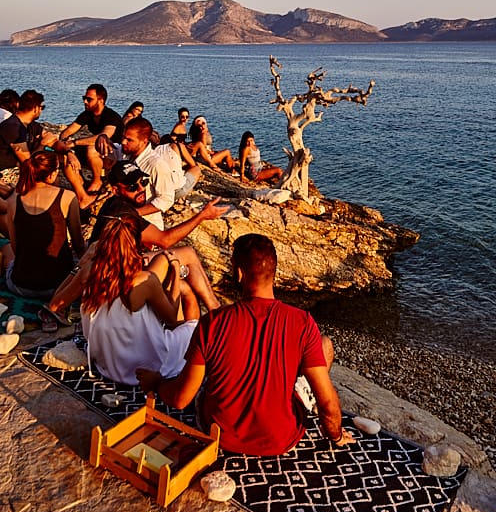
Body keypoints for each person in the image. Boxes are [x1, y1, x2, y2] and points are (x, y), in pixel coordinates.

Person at [137, 234, 355, 456]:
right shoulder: (302, 322)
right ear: (274, 272)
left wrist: (157, 382)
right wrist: (335, 436)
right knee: (324, 345)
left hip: (219, 434)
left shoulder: (213, 322)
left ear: (239, 273)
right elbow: (328, 403)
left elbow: (180, 399)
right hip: (280, 440)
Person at [48, 160, 228, 317]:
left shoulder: (115, 205)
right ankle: (213, 311)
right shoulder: (123, 213)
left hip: (114, 269)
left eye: (143, 182)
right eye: (133, 187)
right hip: (116, 276)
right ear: (115, 189)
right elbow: (165, 239)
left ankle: (214, 311)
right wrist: (201, 216)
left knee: (184, 280)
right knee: (187, 255)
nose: (141, 189)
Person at [81, 216, 199, 386]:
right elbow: (172, 318)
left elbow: (58, 302)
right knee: (192, 318)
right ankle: (191, 375)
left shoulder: (90, 273)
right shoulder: (142, 280)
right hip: (146, 367)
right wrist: (174, 271)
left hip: (108, 365)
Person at [4, 150, 85, 305]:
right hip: (60, 286)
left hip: (21, 285)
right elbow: (79, 244)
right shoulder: (67, 197)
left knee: (7, 249)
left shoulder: (14, 201)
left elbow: (16, 247)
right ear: (52, 174)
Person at [60, 84, 124, 194]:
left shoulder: (111, 117)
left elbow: (103, 137)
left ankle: (97, 181)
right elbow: (66, 132)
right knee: (62, 152)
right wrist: (66, 145)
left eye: (89, 99)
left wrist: (74, 143)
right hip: (101, 151)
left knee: (91, 149)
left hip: (115, 151)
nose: (85, 101)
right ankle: (79, 182)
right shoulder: (87, 114)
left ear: (100, 100)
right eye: (84, 98)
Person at [157, 134, 201, 200]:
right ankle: (183, 197)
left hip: (159, 193)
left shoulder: (155, 151)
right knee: (196, 169)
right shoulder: (177, 146)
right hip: (175, 192)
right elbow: (193, 165)